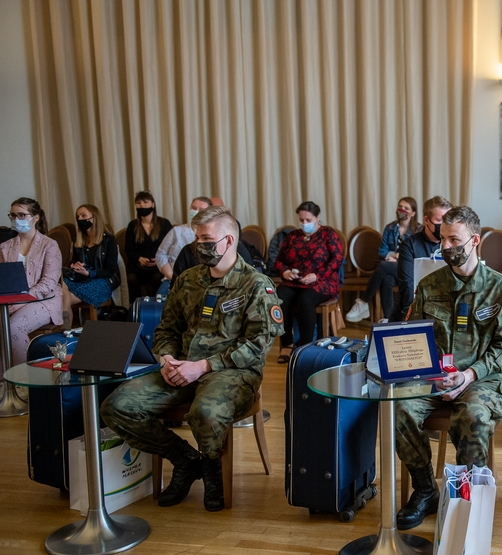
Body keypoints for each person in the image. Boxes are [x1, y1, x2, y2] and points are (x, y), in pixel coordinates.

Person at [100, 207, 284, 512]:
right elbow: (166, 328)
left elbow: (258, 344)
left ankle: (212, 469)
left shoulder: (255, 285)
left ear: (228, 240)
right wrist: (167, 359)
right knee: (117, 407)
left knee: (206, 413)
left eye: (205, 238)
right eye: (197, 237)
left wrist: (203, 366)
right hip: (181, 368)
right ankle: (185, 459)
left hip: (233, 372)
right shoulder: (187, 280)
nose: (198, 245)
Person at [394, 206, 502, 530]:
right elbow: (415, 337)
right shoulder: (428, 286)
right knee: (398, 408)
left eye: (455, 239)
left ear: (475, 240)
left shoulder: (499, 288)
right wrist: (423, 370)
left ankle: (465, 501)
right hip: (437, 377)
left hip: (484, 376)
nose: (446, 246)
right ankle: (425, 490)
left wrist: (469, 375)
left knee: (473, 417)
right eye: (442, 239)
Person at [273, 201, 343, 362]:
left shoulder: (328, 234)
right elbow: (278, 260)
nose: (304, 224)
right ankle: (286, 344)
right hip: (295, 281)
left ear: (317, 218)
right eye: (302, 220)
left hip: (322, 280)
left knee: (306, 300)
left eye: (308, 220)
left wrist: (317, 275)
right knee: (279, 298)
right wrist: (285, 271)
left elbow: (337, 259)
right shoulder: (293, 236)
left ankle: (305, 346)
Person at [0, 198, 63, 370]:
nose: (16, 219)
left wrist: (21, 300)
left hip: (45, 300)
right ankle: (4, 380)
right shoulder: (5, 247)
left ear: (35, 218)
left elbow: (49, 283)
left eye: (21, 215)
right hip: (12, 301)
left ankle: (22, 376)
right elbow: (4, 280)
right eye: (13, 215)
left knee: (13, 327)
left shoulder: (49, 245)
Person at [346, 197, 420, 323]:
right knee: (387, 279)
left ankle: (363, 302)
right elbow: (382, 250)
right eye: (400, 206)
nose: (402, 210)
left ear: (413, 213)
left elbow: (416, 255)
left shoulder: (419, 230)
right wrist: (391, 257)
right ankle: (388, 318)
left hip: (410, 270)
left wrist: (397, 257)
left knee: (383, 266)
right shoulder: (390, 228)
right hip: (393, 268)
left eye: (406, 208)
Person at [392, 195, 452, 320]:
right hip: (415, 308)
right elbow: (407, 285)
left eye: (448, 220)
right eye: (440, 220)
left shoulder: (453, 244)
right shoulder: (409, 245)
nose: (444, 225)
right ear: (426, 220)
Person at [61, 204, 121, 327]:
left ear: (94, 218)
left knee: (60, 299)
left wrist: (89, 273)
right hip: (82, 278)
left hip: (102, 280)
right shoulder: (78, 239)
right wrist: (75, 266)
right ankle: (66, 329)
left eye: (84, 216)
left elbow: (110, 270)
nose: (80, 219)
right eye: (78, 217)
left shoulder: (109, 240)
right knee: (61, 284)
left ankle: (64, 329)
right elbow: (74, 262)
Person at [125, 191, 173, 299]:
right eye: (138, 203)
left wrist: (158, 260)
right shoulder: (133, 225)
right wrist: (139, 258)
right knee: (131, 278)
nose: (141, 205)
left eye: (145, 202)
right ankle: (135, 308)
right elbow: (129, 249)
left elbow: (171, 247)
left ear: (153, 204)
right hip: (138, 266)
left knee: (157, 278)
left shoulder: (164, 223)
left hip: (159, 266)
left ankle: (156, 308)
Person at [156, 196, 213, 281]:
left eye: (201, 210)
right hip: (174, 278)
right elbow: (160, 254)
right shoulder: (177, 231)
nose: (196, 212)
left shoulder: (214, 234)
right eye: (194, 208)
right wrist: (172, 276)